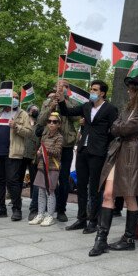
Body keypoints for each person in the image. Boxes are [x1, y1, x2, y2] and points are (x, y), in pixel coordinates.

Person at [89, 75, 138, 256]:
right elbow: (115, 126)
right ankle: (101, 240)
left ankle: (129, 238)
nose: (127, 90)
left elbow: (122, 128)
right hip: (117, 151)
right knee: (108, 193)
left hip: (131, 154)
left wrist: (119, 127)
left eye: (131, 87)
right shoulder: (128, 108)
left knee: (129, 196)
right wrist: (119, 127)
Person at [58, 80, 118, 233]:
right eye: (91, 89)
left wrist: (104, 146)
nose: (91, 91)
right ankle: (81, 219)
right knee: (81, 187)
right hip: (83, 151)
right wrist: (60, 100)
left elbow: (114, 131)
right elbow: (66, 112)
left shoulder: (110, 109)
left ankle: (93, 220)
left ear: (102, 93)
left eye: (95, 89)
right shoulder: (86, 107)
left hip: (98, 152)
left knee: (95, 189)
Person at [0, 91, 32, 221]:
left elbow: (29, 133)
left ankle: (17, 209)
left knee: (13, 182)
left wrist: (16, 126)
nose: (14, 99)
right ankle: (1, 208)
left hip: (13, 154)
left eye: (16, 97)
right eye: (12, 97)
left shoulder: (23, 114)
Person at [38, 79, 78, 223]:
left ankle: (61, 209)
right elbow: (41, 121)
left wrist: (62, 102)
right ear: (55, 87)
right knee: (45, 177)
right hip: (48, 146)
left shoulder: (72, 102)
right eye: (60, 86)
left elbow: (75, 116)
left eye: (65, 87)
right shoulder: (47, 102)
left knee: (63, 179)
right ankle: (43, 209)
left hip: (66, 146)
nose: (62, 88)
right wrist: (51, 106)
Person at [29, 112, 63, 226]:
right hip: (42, 166)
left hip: (53, 168)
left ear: (59, 124)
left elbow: (57, 152)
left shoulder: (59, 137)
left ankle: (50, 216)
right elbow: (41, 149)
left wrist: (44, 150)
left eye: (54, 122)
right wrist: (39, 152)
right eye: (49, 121)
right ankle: (40, 214)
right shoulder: (45, 136)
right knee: (41, 192)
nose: (51, 123)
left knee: (50, 191)